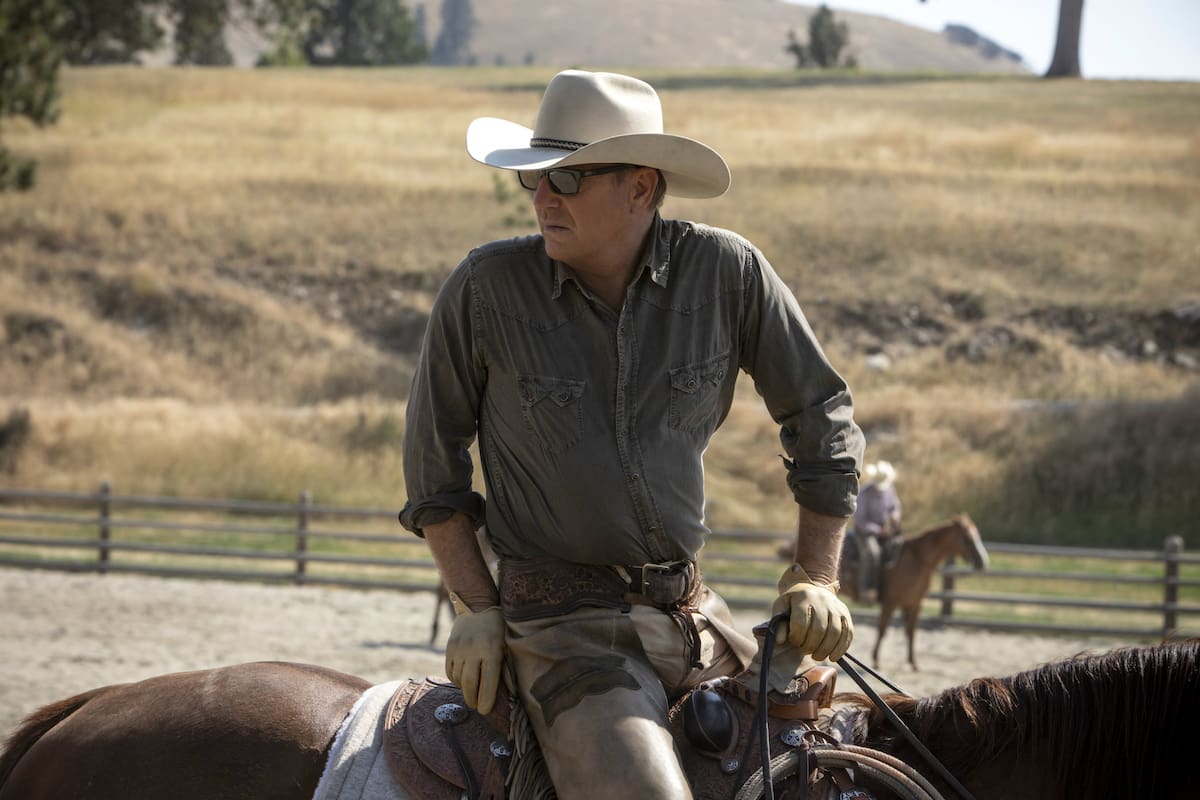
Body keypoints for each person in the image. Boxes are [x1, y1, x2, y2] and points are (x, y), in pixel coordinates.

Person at [400, 69, 865, 799]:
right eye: (537, 179)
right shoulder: (485, 290)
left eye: (570, 178)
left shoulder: (728, 274)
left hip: (695, 619)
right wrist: (477, 607)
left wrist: (816, 575)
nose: (545, 196)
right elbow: (434, 469)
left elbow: (822, 411)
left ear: (640, 188)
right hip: (561, 632)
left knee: (835, 764)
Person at [851, 460, 902, 602]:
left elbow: (895, 507)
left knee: (900, 547)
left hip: (885, 529)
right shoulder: (864, 493)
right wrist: (878, 531)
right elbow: (860, 520)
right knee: (872, 552)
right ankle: (866, 589)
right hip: (865, 532)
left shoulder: (890, 490)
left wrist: (894, 517)